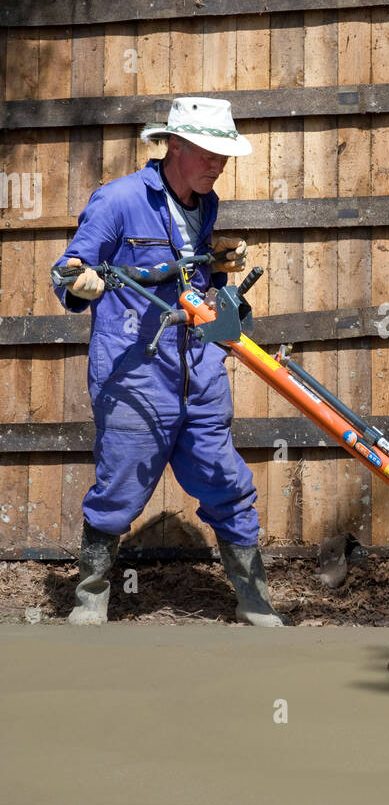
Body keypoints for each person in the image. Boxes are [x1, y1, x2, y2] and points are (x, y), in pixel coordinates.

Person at [53, 95, 285, 628]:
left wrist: (217, 268)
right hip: (134, 370)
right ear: (174, 145)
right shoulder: (118, 200)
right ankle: (90, 596)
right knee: (121, 486)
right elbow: (69, 266)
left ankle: (254, 598)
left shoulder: (208, 203)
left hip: (197, 367)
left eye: (223, 155)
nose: (217, 164)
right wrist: (80, 280)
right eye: (207, 152)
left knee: (226, 480)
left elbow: (197, 281)